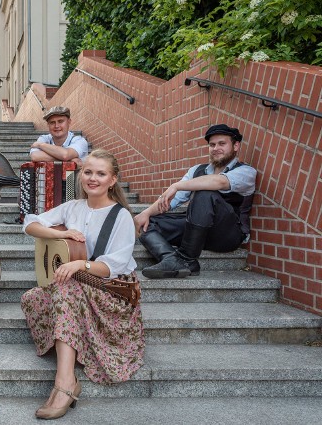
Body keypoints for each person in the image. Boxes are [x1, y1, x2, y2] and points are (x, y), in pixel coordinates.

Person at [20, 149, 144, 420]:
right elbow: (30, 224)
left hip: (112, 292)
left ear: (113, 180)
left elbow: (115, 266)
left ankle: (66, 383)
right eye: (88, 172)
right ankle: (74, 340)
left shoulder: (120, 215)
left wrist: (80, 264)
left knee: (63, 290)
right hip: (80, 285)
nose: (92, 178)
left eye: (101, 173)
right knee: (33, 297)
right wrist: (57, 232)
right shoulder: (72, 207)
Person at [134, 124, 257, 279]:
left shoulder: (246, 172)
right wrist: (145, 213)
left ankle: (186, 258)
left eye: (222, 144)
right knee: (148, 224)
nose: (216, 148)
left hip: (227, 235)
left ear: (236, 146)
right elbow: (172, 200)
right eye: (212, 145)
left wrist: (176, 185)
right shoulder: (197, 170)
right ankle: (171, 259)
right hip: (196, 233)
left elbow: (219, 182)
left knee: (205, 193)